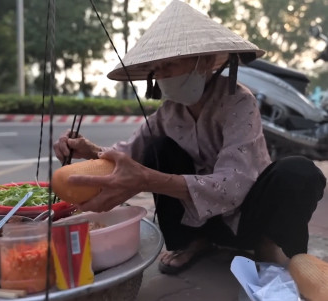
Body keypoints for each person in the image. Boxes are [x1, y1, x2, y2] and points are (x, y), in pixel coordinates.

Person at [53, 0, 326, 275]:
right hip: (198, 222)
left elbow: (233, 185)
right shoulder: (169, 112)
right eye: (156, 69)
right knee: (158, 148)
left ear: (204, 61)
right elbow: (128, 154)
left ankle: (268, 245)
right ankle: (194, 242)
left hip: (247, 221)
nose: (161, 75)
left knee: (300, 171)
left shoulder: (239, 102)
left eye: (170, 64)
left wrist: (148, 179)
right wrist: (90, 152)